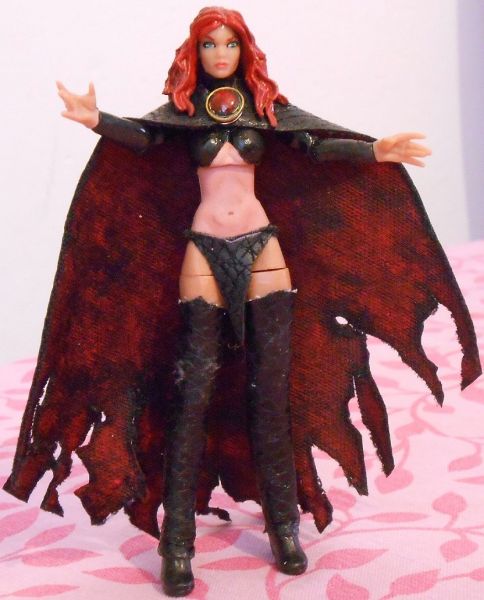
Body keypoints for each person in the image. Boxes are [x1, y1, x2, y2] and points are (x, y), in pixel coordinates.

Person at [4, 7, 480, 598]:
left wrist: (375, 150)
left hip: (263, 248)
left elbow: (312, 146)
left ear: (244, 49)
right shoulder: (184, 113)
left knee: (270, 394)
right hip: (203, 248)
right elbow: (146, 139)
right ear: (195, 52)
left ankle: (284, 527)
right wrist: (96, 119)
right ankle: (177, 541)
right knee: (191, 395)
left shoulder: (264, 108)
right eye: (210, 44)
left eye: (229, 43)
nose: (220, 53)